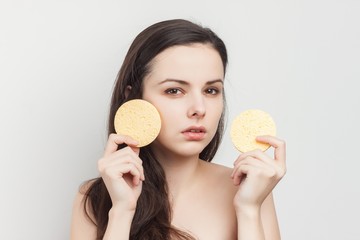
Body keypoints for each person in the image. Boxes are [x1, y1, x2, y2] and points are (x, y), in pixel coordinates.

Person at [70, 19, 286, 240]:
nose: (199, 109)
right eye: (174, 90)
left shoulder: (250, 189)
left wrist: (248, 209)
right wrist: (122, 211)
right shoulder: (94, 198)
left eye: (211, 90)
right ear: (133, 99)